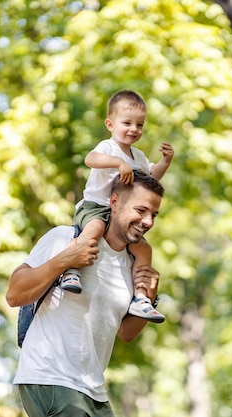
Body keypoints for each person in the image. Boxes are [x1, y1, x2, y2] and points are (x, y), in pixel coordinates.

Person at [6, 170, 165, 417]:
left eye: (153, 215)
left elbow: (126, 332)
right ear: (114, 202)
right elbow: (14, 294)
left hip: (94, 391)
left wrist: (151, 295)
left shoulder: (131, 265)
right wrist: (64, 260)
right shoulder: (67, 238)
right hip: (51, 378)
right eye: (140, 210)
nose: (148, 222)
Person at [60, 90, 174, 323]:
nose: (134, 129)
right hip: (96, 206)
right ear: (110, 124)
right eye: (127, 123)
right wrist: (118, 162)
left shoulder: (139, 156)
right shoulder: (108, 147)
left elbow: (151, 178)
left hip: (119, 216)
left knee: (144, 250)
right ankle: (71, 270)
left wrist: (165, 162)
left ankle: (141, 298)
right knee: (94, 228)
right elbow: (90, 160)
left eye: (140, 125)